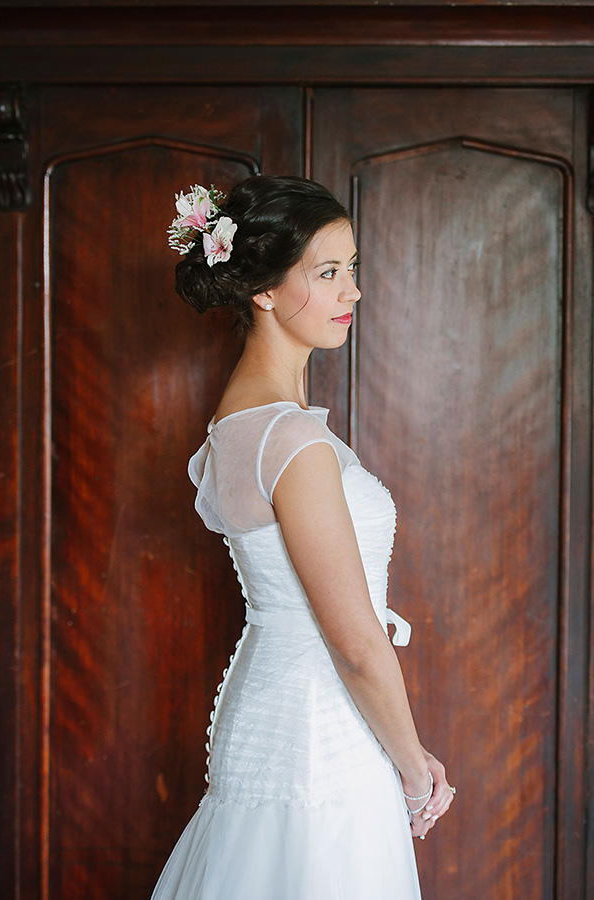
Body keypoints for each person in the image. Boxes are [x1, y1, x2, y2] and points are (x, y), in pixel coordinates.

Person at [151, 175, 455, 899]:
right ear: (262, 289)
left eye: (352, 270)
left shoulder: (240, 426)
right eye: (327, 274)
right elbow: (352, 640)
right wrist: (413, 765)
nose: (351, 292)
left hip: (278, 713)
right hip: (321, 733)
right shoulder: (289, 439)